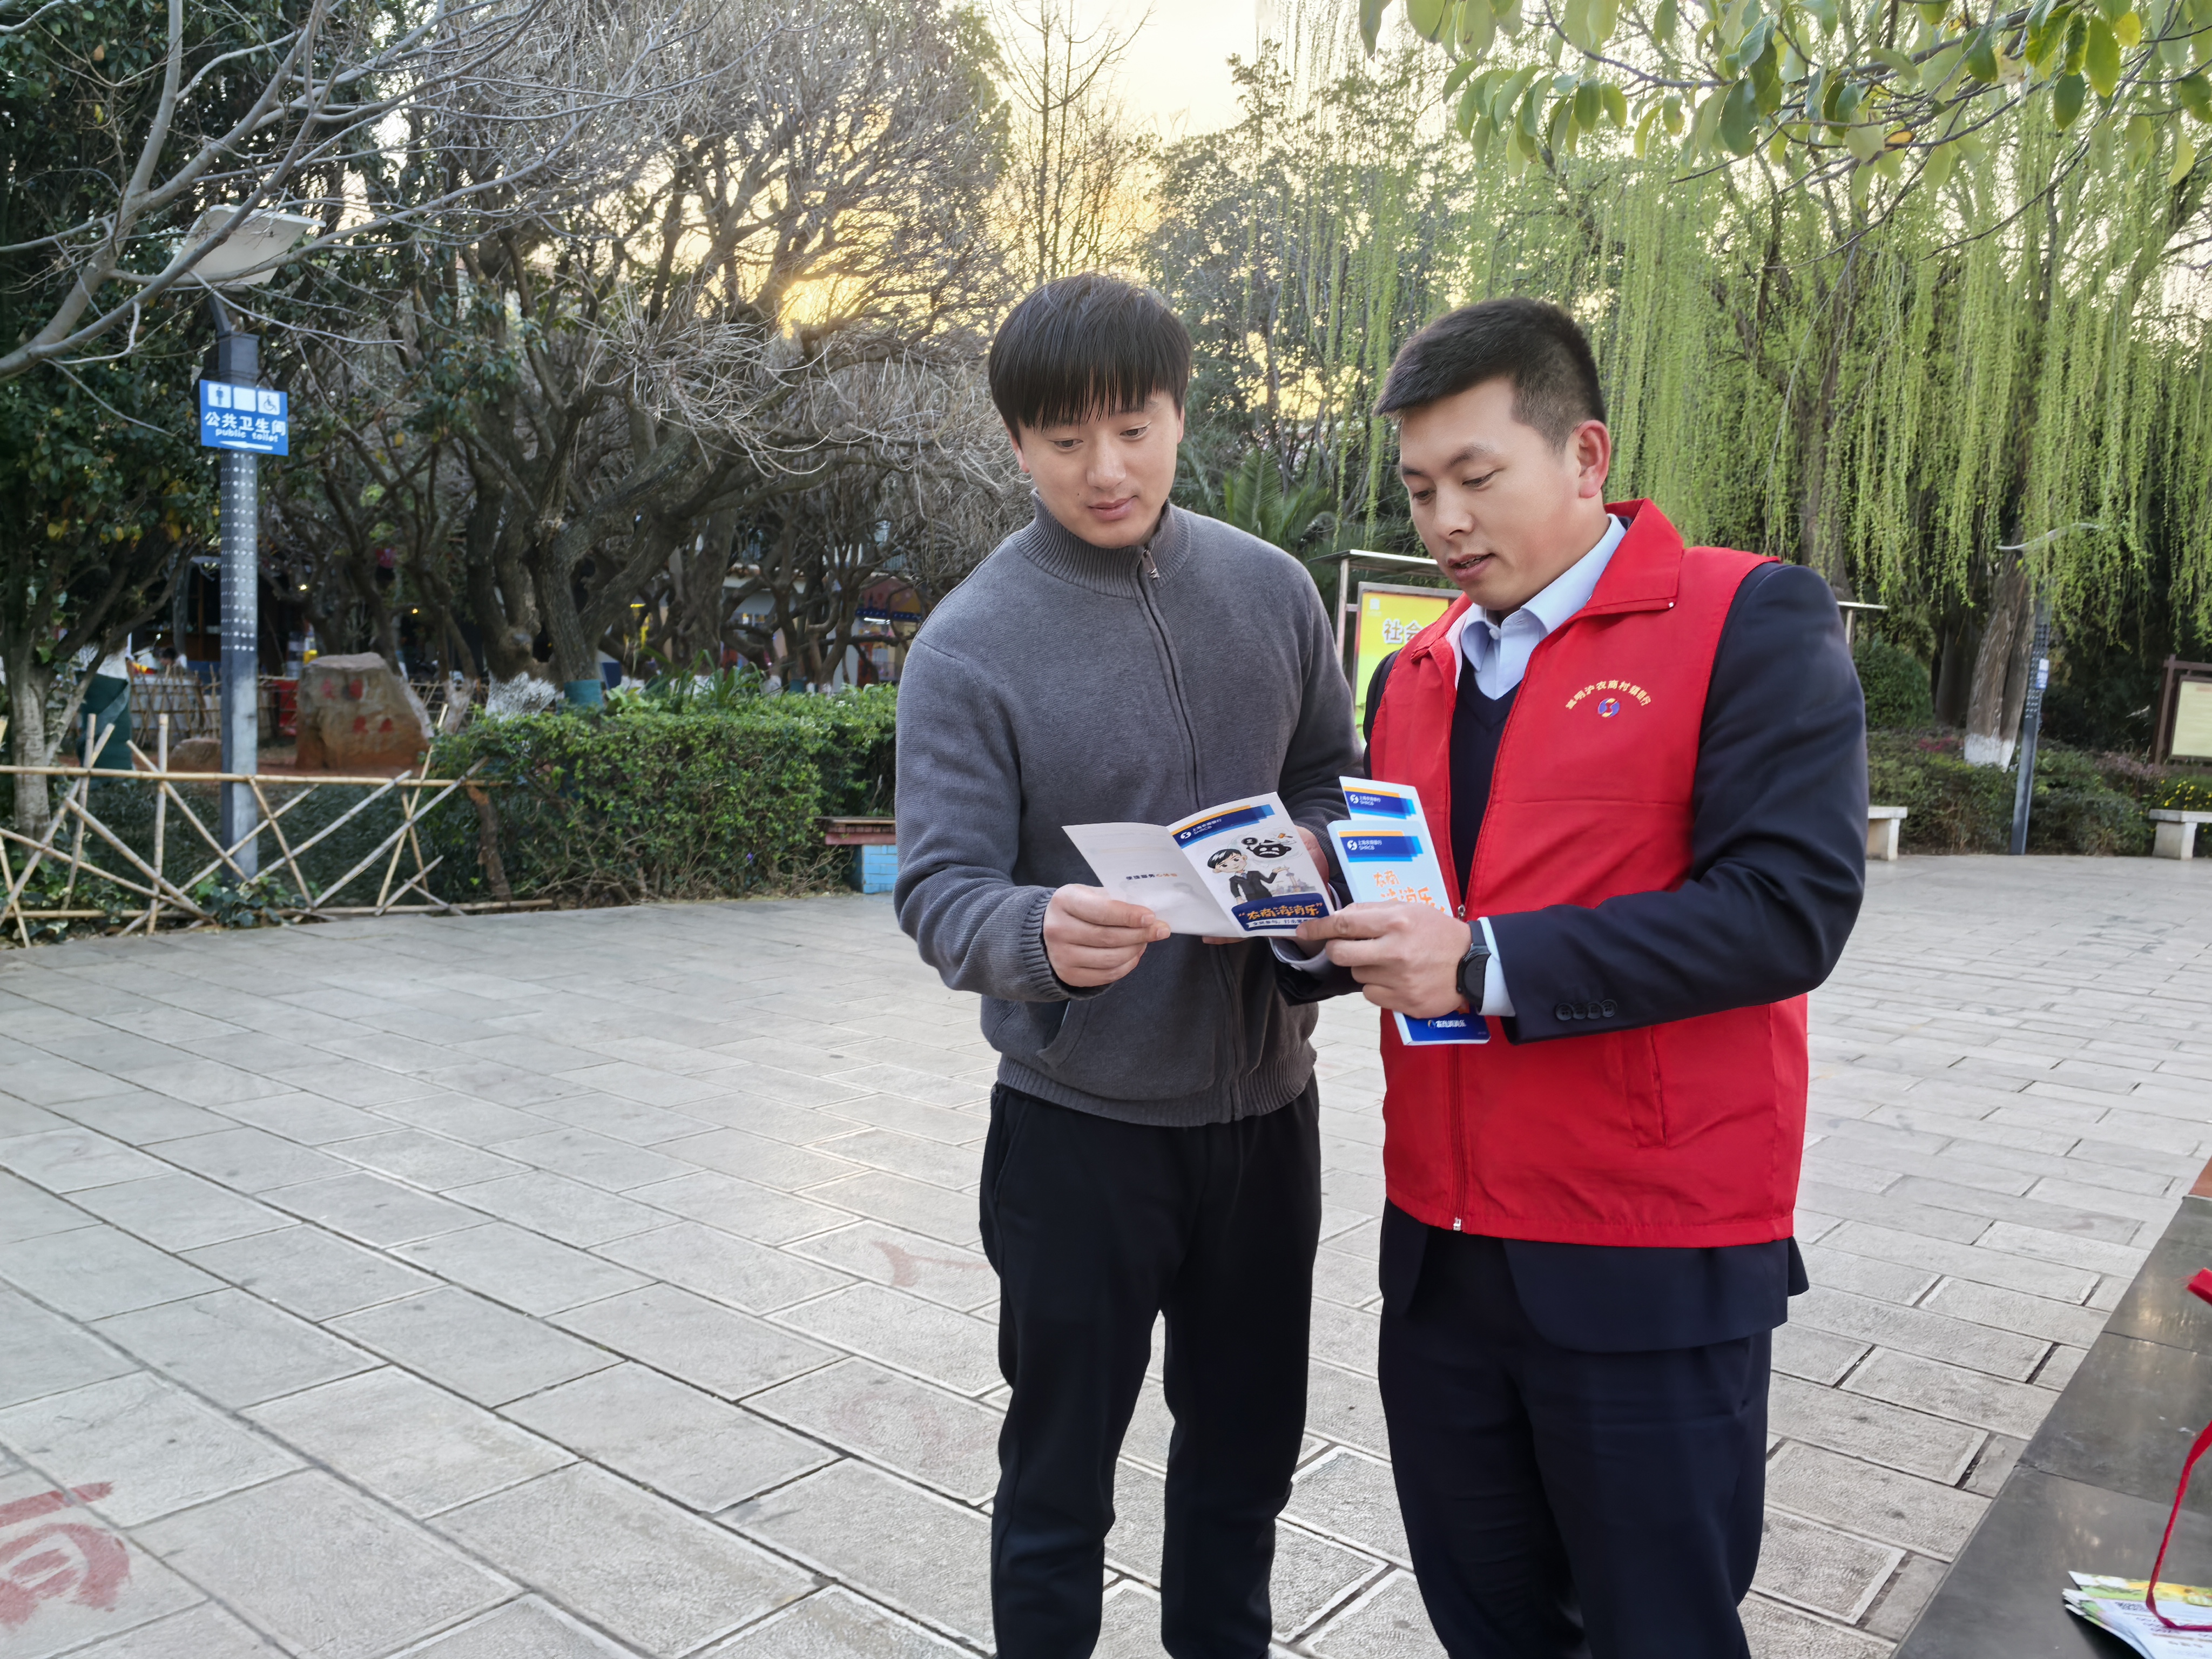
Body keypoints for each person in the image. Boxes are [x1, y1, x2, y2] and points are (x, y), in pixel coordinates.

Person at [1291, 297, 1866, 1658]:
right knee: (1486, 1623)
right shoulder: (1414, 673)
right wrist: (1281, 919)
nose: (1444, 521)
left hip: (1644, 1252)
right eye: (1418, 489)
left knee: (1657, 1630)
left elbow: (1786, 911)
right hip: (1442, 1251)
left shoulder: (1742, 618)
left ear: (1585, 456)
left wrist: (1484, 962)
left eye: (1475, 476)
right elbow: (1413, 910)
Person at [893, 273, 1361, 1659]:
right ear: (1015, 443)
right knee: (1057, 1481)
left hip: (1265, 1117)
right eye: (1062, 440)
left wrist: (1315, 860)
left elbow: (1331, 782)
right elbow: (939, 887)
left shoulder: (1271, 591)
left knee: (1243, 1466)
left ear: (1177, 414)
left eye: (1133, 429)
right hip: (1077, 1131)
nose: (1104, 469)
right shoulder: (970, 645)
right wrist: (1035, 935)